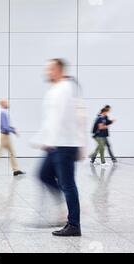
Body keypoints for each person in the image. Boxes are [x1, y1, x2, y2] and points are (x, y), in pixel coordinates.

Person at [34, 59, 87, 237]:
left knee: (68, 185)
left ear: (58, 70)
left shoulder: (64, 89)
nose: (47, 71)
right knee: (44, 175)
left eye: (50, 69)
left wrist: (48, 139)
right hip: (57, 143)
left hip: (64, 144)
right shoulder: (56, 89)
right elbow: (50, 118)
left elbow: (60, 116)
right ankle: (66, 207)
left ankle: (74, 225)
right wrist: (43, 138)